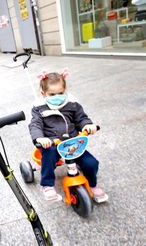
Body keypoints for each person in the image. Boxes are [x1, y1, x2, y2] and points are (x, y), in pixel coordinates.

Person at [28, 70, 108, 202]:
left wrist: (87, 125)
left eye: (60, 93)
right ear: (43, 94)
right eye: (52, 94)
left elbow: (81, 118)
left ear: (65, 90)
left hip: (73, 143)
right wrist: (40, 138)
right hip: (52, 143)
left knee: (91, 163)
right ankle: (47, 185)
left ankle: (92, 184)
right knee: (48, 159)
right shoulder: (39, 108)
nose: (57, 96)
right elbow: (35, 124)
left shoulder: (72, 104)